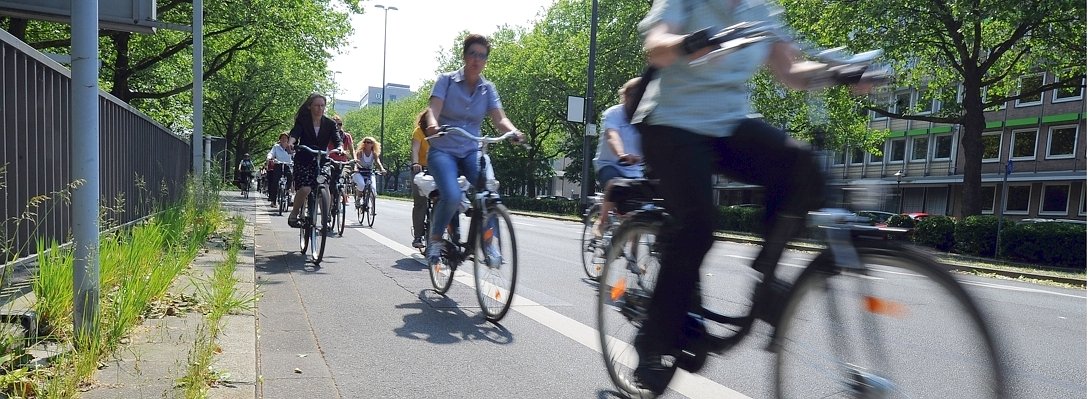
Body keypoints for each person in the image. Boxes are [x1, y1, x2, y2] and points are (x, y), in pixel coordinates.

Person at [628, 0, 875, 394]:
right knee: (697, 226)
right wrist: (690, 42)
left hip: (726, 124)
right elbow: (656, 46)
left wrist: (840, 72)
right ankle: (654, 341)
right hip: (671, 123)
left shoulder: (759, 8)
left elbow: (791, 73)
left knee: (802, 167)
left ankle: (767, 278)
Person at [422, 33, 525, 268]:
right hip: (444, 148)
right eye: (472, 54)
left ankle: (490, 245)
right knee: (452, 195)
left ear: (486, 60)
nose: (476, 60)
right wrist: (433, 124)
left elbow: (500, 118)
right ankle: (436, 239)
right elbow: (433, 108)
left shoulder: (488, 89)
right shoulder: (446, 80)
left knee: (490, 192)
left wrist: (513, 132)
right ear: (464, 55)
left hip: (470, 150)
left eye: (482, 56)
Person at [591, 77, 645, 237]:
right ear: (626, 96)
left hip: (636, 170)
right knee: (614, 184)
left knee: (642, 210)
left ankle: (633, 256)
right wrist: (622, 154)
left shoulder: (646, 117)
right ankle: (602, 221)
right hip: (610, 164)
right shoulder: (613, 114)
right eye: (636, 96)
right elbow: (612, 135)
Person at [286, 93, 343, 228]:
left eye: (322, 106)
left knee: (325, 186)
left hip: (322, 159)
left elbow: (337, 139)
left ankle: (325, 217)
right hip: (304, 158)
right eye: (317, 105)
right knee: (305, 188)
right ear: (310, 106)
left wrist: (340, 147)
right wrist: (291, 143)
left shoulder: (330, 124)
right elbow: (295, 133)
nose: (320, 108)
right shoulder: (303, 121)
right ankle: (293, 215)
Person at [409, 109, 431, 248]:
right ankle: (418, 236)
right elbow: (415, 149)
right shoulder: (418, 132)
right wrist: (416, 163)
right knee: (420, 202)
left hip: (436, 168)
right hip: (420, 168)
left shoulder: (441, 131)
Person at [352, 135, 386, 210]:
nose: (366, 144)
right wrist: (356, 169)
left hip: (369, 172)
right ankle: (358, 199)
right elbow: (356, 162)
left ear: (372, 144)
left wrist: (382, 169)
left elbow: (378, 162)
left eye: (369, 142)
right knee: (361, 184)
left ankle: (373, 209)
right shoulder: (360, 152)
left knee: (373, 189)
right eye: (365, 142)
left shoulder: (374, 154)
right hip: (360, 172)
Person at [329, 115, 355, 205]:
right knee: (329, 181)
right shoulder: (327, 135)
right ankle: (329, 202)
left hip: (343, 163)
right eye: (335, 124)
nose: (338, 126)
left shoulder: (346, 136)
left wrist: (355, 161)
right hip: (330, 162)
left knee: (342, 178)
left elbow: (352, 150)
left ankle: (342, 194)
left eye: (340, 124)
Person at [266, 132, 294, 207]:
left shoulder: (290, 147)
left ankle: (288, 191)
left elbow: (294, 154)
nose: (284, 139)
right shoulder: (276, 147)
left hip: (287, 165)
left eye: (285, 138)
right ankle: (273, 201)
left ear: (288, 140)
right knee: (275, 182)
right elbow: (271, 153)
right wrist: (269, 158)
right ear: (280, 140)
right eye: (282, 138)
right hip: (278, 165)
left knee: (290, 176)